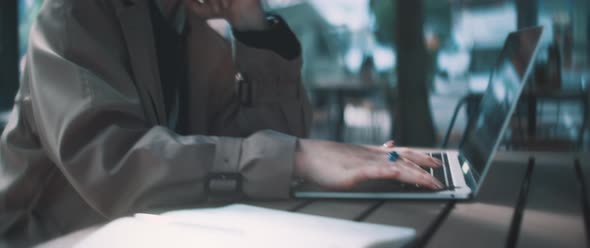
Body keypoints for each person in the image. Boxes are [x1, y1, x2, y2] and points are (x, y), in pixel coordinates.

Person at [0, 0, 443, 246]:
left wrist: (253, 25)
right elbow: (116, 167)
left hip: (155, 231)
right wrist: (300, 157)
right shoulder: (72, 17)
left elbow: (263, 143)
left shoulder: (194, 35)